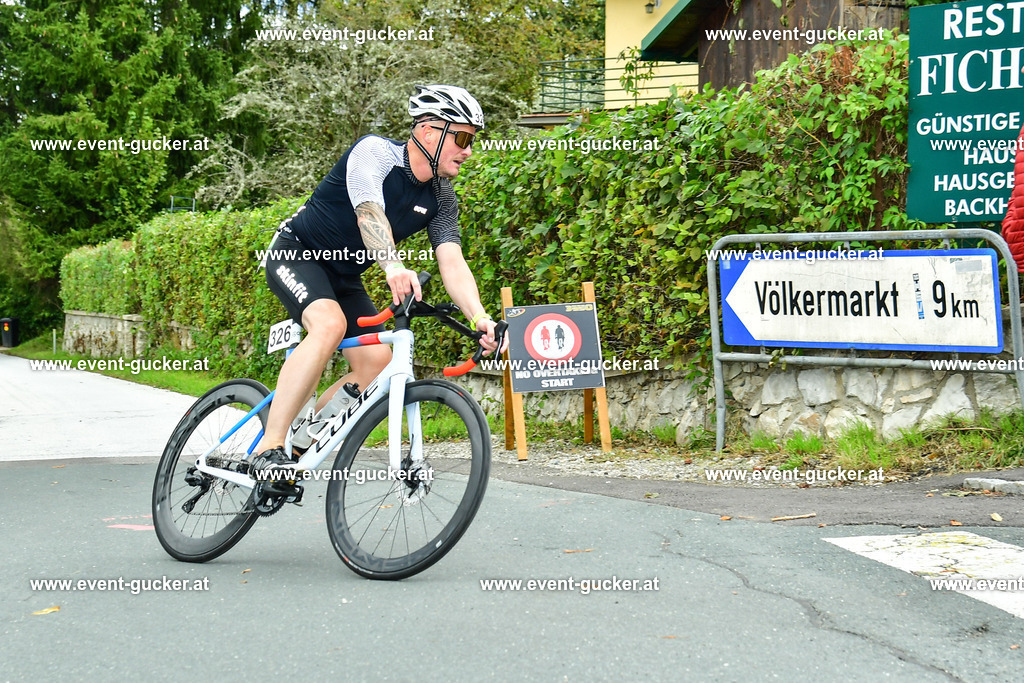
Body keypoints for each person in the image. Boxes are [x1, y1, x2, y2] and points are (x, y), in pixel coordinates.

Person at [253, 84, 500, 480]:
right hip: (296, 252)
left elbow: (451, 261)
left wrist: (480, 316)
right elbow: (369, 211)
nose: (468, 149)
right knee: (329, 325)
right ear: (429, 131)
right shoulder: (375, 153)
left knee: (377, 364)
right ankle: (269, 446)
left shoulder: (442, 197)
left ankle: (301, 441)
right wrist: (392, 265)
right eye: (463, 137)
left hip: (344, 275)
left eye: (472, 139)